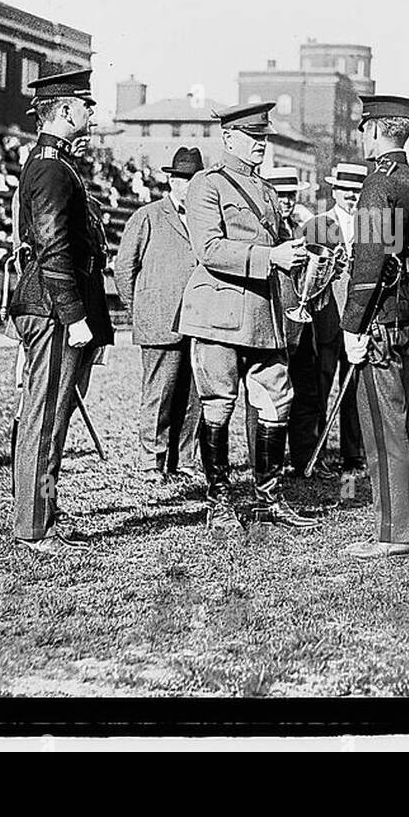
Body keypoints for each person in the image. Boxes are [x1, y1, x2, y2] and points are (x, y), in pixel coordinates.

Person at [176, 102, 315, 537]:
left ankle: (268, 499)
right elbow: (210, 250)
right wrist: (269, 256)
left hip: (263, 314)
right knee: (218, 405)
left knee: (277, 400)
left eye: (264, 138)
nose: (260, 145)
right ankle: (218, 500)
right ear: (229, 138)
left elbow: (278, 245)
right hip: (219, 313)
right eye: (253, 138)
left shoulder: (268, 192)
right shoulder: (207, 185)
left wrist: (300, 257)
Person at [7, 68, 114, 557]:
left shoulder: (56, 164)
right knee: (46, 414)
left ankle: (43, 516)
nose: (91, 113)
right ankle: (33, 527)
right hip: (52, 306)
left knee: (55, 412)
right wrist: (73, 317)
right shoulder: (52, 168)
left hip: (54, 302)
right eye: (86, 105)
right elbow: (52, 247)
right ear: (67, 110)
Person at [340, 96, 409, 560]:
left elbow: (370, 260)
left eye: (363, 129)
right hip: (402, 311)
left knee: (383, 426)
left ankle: (394, 535)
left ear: (375, 130)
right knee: (394, 422)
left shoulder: (380, 184)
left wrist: (353, 324)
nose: (361, 137)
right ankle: (394, 530)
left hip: (379, 320)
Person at [113, 146, 205, 482]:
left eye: (194, 179)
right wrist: (138, 309)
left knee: (194, 397)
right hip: (158, 320)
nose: (188, 185)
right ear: (170, 180)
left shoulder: (205, 219)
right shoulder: (147, 216)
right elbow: (124, 267)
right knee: (160, 394)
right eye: (182, 179)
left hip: (199, 323)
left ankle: (185, 460)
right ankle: (151, 461)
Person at [245, 166, 319, 473]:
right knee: (261, 395)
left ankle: (298, 460)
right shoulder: (260, 231)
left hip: (298, 325)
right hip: (267, 323)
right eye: (280, 194)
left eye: (291, 195)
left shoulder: (301, 229)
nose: (286, 201)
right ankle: (258, 463)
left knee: (301, 392)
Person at [302, 162, 368, 478]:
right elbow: (307, 277)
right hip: (326, 317)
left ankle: (353, 455)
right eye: (346, 190)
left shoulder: (376, 224)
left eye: (357, 191)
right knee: (321, 384)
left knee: (354, 387)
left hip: (360, 318)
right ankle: (316, 451)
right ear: (334, 191)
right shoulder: (317, 224)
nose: (352, 196)